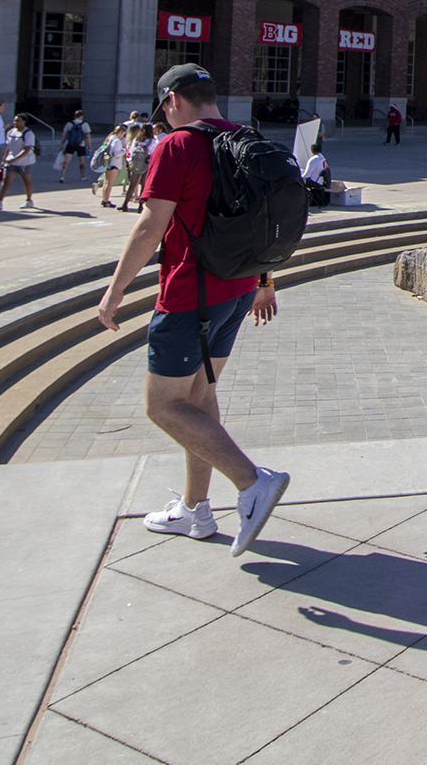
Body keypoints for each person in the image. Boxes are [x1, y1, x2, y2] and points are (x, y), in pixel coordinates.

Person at [95, 63, 288, 557]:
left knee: (163, 406)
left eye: (163, 108)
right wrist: (265, 281)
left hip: (188, 294)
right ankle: (195, 510)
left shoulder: (177, 145)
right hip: (238, 288)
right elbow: (262, 220)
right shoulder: (243, 138)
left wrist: (114, 291)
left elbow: (148, 226)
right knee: (199, 399)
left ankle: (252, 482)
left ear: (173, 100)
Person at [0, 116, 40, 211]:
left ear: (24, 122)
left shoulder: (28, 133)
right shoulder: (11, 132)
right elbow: (8, 147)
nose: (15, 122)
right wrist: (4, 159)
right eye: (14, 120)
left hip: (25, 162)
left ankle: (29, 200)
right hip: (11, 161)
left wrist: (15, 159)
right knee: (6, 180)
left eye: (18, 121)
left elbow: (27, 150)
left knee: (26, 180)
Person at [97, 123, 130, 209]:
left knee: (105, 182)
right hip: (114, 163)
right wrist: (124, 151)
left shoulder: (110, 138)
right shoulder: (117, 141)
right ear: (121, 132)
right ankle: (106, 200)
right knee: (109, 183)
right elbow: (116, 153)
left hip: (107, 162)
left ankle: (104, 199)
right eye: (123, 133)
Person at [58, 110, 93, 183]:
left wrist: (61, 145)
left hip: (70, 144)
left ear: (74, 116)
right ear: (81, 116)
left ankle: (62, 176)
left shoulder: (69, 124)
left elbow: (63, 135)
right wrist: (89, 145)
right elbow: (88, 136)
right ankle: (82, 175)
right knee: (81, 162)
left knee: (66, 161)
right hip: (81, 145)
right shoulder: (85, 124)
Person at [303, 140, 331, 206]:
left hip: (315, 181)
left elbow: (306, 175)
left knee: (299, 181)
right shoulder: (322, 158)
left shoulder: (313, 160)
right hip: (321, 181)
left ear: (312, 151)